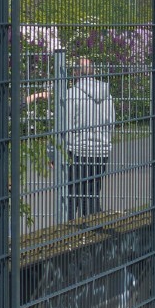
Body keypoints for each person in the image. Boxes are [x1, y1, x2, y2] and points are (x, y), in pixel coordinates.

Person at [63, 58, 116, 219]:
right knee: (92, 193)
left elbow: (65, 126)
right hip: (101, 152)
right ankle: (93, 233)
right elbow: (111, 123)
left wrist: (57, 152)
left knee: (72, 195)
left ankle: (68, 233)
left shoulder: (71, 94)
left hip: (78, 151)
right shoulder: (107, 94)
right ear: (93, 71)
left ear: (76, 73)